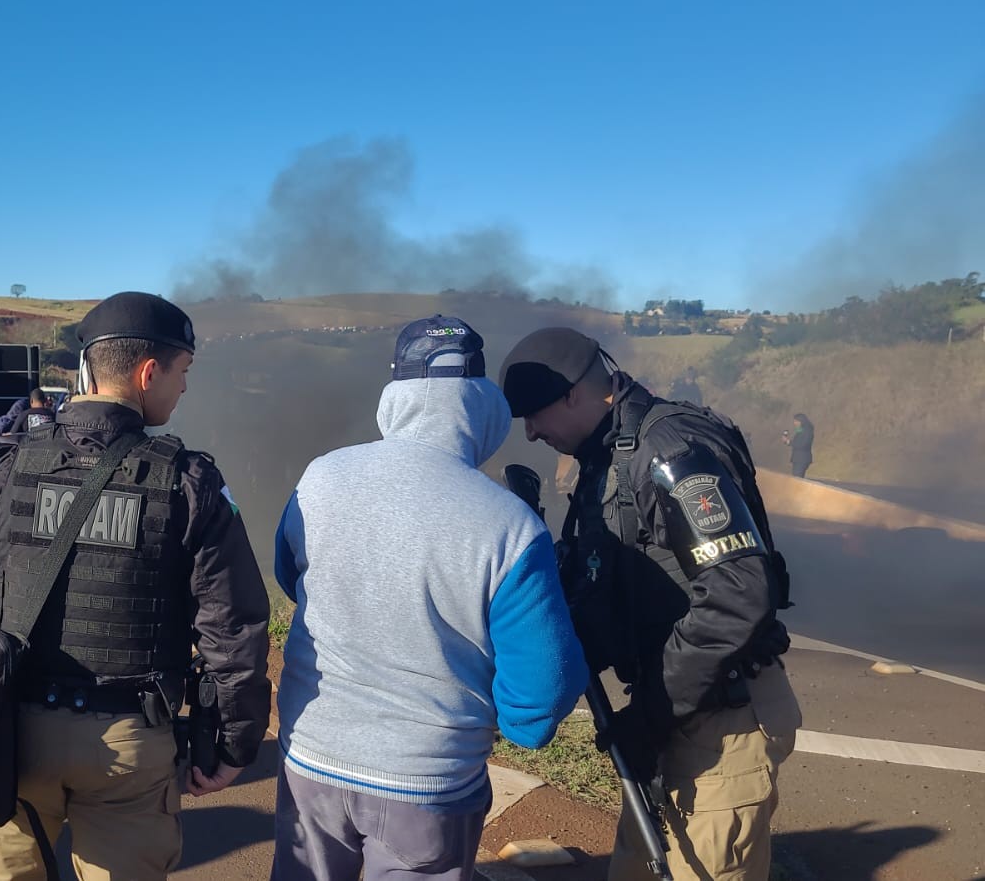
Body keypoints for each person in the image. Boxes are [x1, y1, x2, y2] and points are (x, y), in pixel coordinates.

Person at [0, 291, 271, 881]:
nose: (184, 388)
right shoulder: (190, 480)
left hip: (6, 732)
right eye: (183, 372)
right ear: (148, 371)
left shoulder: (0, 461)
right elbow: (231, 628)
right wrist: (234, 743)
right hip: (127, 744)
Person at [271, 317, 587, 880]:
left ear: (395, 398)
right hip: (428, 781)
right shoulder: (509, 524)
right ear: (482, 405)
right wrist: (511, 721)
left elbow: (292, 578)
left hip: (311, 759)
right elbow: (541, 699)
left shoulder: (318, 479)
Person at [500, 327, 800, 881]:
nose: (532, 433)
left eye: (535, 414)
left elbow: (738, 594)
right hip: (675, 712)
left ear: (573, 393)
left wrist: (654, 714)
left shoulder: (670, 448)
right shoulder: (609, 457)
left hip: (719, 720)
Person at [784, 413, 814, 478]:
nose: (794, 423)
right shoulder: (801, 430)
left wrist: (789, 442)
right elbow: (797, 442)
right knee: (797, 479)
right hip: (798, 459)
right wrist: (787, 441)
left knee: (797, 479)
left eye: (796, 421)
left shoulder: (807, 431)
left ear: (801, 421)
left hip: (802, 459)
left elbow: (803, 444)